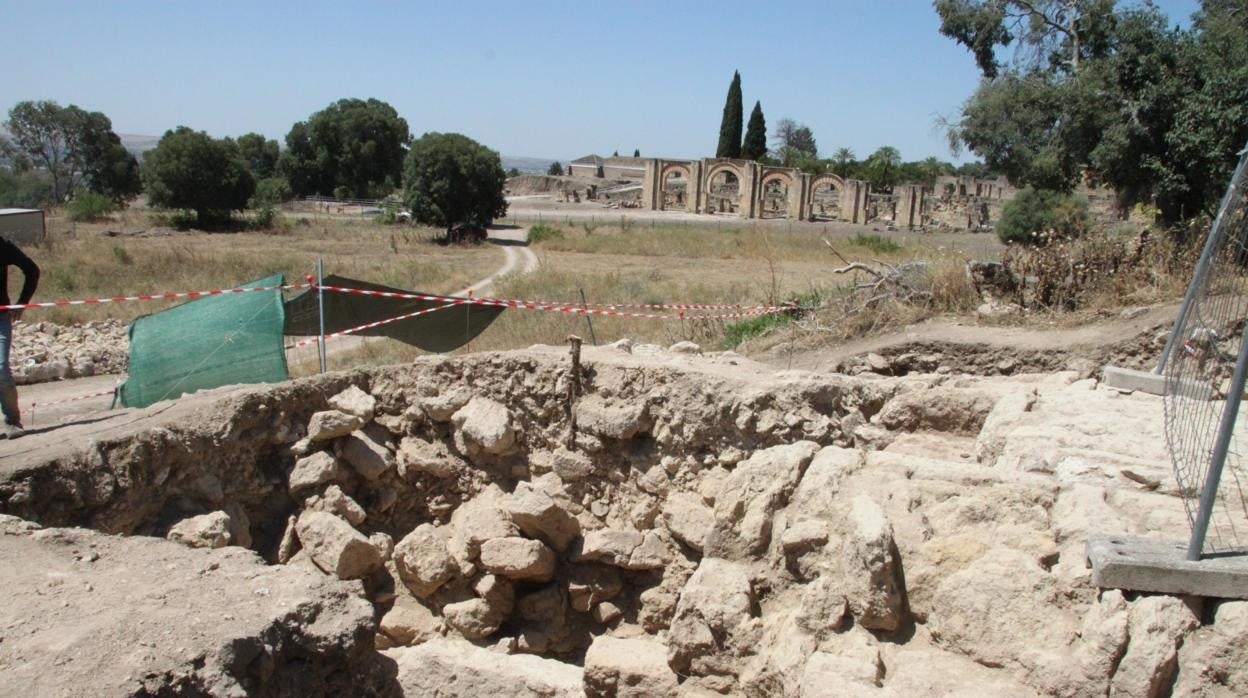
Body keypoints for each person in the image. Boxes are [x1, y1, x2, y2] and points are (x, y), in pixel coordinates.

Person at [0, 236, 39, 439]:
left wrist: (21, 303)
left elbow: (32, 270)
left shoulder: (3, 246)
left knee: (1, 368)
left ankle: (12, 421)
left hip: (1, 319)